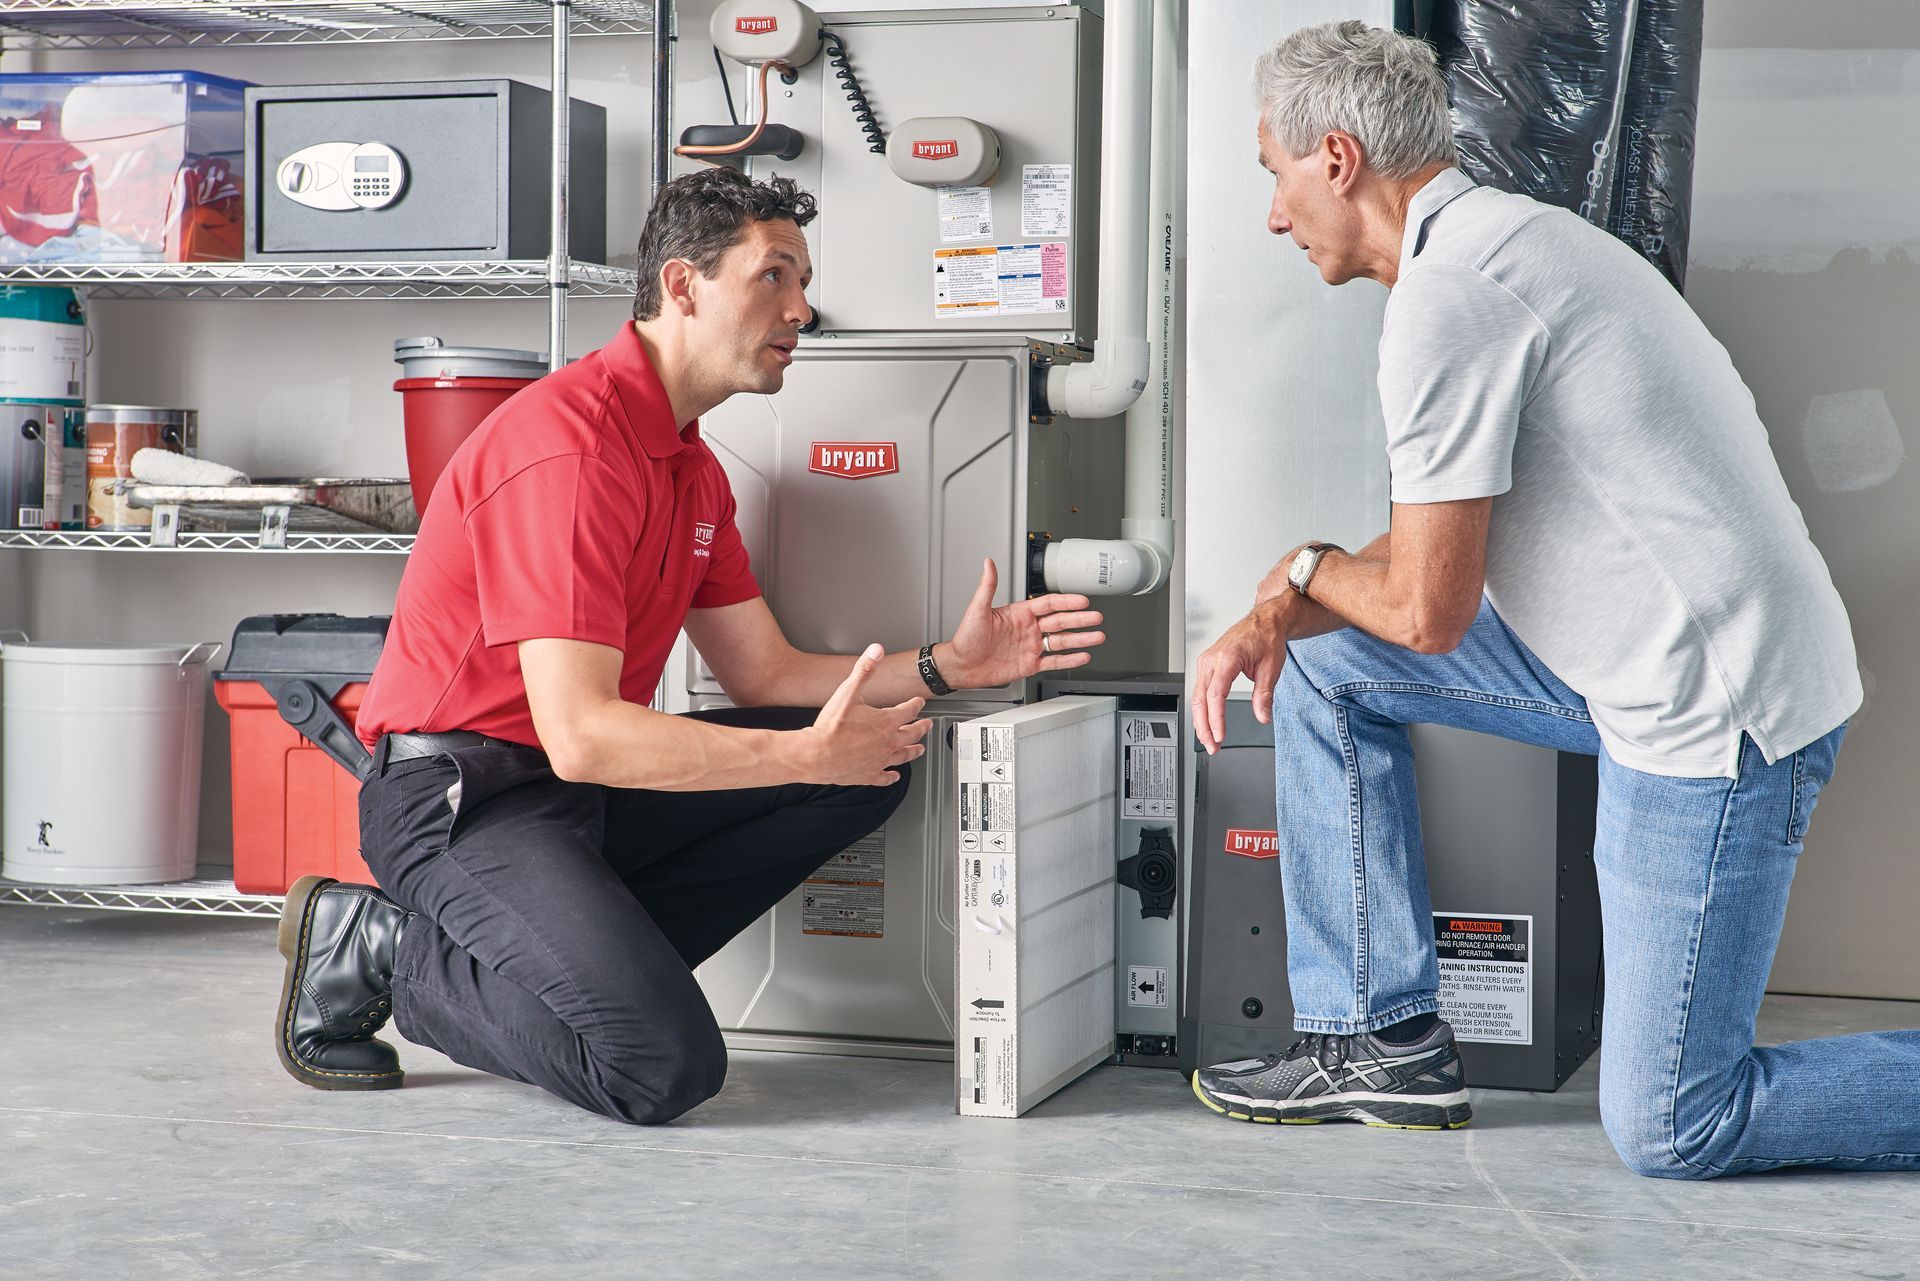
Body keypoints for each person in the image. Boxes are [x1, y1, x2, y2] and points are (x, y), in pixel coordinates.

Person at [1186, 21, 1915, 1180]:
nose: (1273, 213)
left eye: (1272, 174)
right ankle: (1375, 1040)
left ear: (1335, 159)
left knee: (1679, 1123)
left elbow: (1425, 612)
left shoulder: (1452, 296)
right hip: (1639, 665)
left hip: (1712, 715)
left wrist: (1300, 574)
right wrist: (1294, 607)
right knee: (1324, 665)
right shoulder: (1502, 247)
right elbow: (1431, 542)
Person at [271, 167, 1106, 1124]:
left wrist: (945, 667)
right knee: (658, 1064)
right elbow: (584, 732)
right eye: (775, 277)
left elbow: (766, 673)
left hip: (566, 794)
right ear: (683, 285)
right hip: (461, 801)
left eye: (802, 282)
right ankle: (381, 945)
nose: (803, 306)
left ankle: (583, 965)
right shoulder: (571, 453)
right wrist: (802, 750)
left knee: (864, 771)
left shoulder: (690, 466)